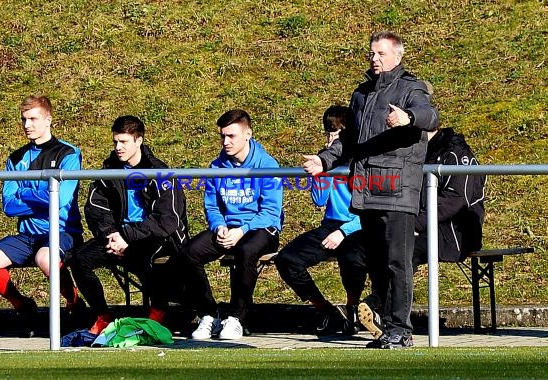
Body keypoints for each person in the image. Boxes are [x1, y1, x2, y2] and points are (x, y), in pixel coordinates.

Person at [303, 31, 439, 348]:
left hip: (397, 191)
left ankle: (401, 329)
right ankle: (386, 330)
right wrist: (324, 161)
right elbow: (349, 143)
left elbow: (431, 115)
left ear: (397, 56)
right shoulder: (361, 95)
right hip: (367, 191)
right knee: (377, 264)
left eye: (380, 53)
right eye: (371, 53)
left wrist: (409, 117)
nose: (373, 58)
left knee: (397, 263)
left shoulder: (411, 87)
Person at [69, 115, 189, 335]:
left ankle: (157, 314)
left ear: (139, 141)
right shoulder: (109, 171)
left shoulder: (159, 172)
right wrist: (111, 234)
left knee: (144, 257)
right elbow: (96, 208)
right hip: (117, 236)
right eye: (115, 141)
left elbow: (167, 220)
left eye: (124, 142)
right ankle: (102, 316)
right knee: (80, 260)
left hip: (155, 237)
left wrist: (127, 236)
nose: (118, 147)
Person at [0, 95, 84, 319]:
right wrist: (42, 195)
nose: (27, 125)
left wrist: (25, 193)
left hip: (62, 231)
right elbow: (9, 206)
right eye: (24, 119)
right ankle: (22, 304)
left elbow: (60, 201)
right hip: (27, 235)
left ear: (48, 120)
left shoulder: (68, 154)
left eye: (33, 119)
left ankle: (74, 301)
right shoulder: (16, 158)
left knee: (45, 258)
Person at [183, 109, 283, 340]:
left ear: (248, 134)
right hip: (227, 228)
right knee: (189, 253)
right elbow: (212, 206)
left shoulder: (267, 164)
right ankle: (209, 314)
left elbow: (270, 211)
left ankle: (238, 317)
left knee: (246, 250)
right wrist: (219, 227)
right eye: (223, 136)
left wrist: (242, 230)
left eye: (231, 136)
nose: (226, 142)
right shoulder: (217, 166)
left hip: (260, 228)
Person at [275, 105, 367, 335]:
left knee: (352, 258)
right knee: (287, 260)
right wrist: (323, 170)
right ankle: (324, 309)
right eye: (328, 133)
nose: (330, 139)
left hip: (359, 226)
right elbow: (319, 199)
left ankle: (353, 307)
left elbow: (370, 210)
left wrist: (344, 232)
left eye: (336, 134)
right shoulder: (326, 159)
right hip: (331, 224)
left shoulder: (363, 161)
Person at [413, 126, 486, 271]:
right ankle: (384, 293)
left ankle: (392, 294)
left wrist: (416, 224)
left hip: (455, 234)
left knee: (401, 250)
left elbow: (456, 199)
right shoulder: (419, 154)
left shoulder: (456, 155)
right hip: (425, 227)